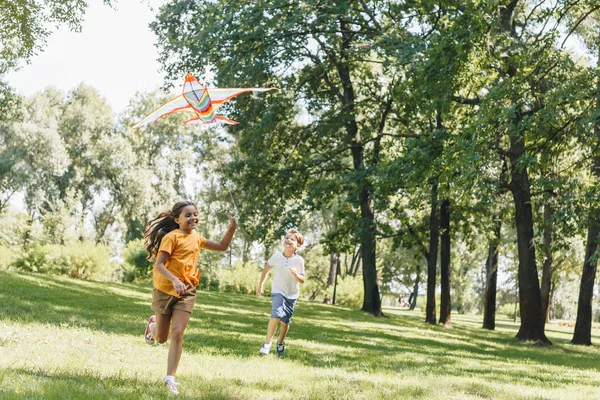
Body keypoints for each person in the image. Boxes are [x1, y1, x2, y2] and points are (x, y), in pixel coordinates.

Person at [143, 200, 238, 395]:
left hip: (187, 290)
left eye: (195, 214)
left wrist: (232, 226)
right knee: (161, 338)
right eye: (188, 215)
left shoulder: (198, 239)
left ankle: (170, 379)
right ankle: (153, 325)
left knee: (177, 333)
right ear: (177, 219)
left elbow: (221, 246)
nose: (193, 217)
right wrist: (174, 280)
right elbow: (159, 265)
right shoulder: (171, 237)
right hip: (164, 289)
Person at [256, 228, 305, 357]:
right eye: (287, 238)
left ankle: (280, 342)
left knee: (285, 322)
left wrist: (296, 274)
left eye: (292, 239)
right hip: (278, 290)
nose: (288, 240)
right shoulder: (276, 257)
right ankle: (267, 344)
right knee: (276, 314)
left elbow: (302, 279)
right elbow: (266, 269)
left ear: (297, 245)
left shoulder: (299, 260)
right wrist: (260, 285)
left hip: (292, 294)